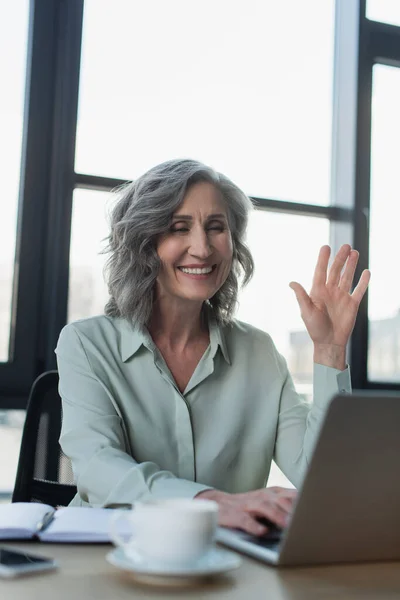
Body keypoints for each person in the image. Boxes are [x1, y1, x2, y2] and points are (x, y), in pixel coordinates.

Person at [55, 159, 370, 536]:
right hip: (111, 557)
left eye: (216, 227)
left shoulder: (260, 353)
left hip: (226, 567)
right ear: (144, 243)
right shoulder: (87, 345)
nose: (202, 248)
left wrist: (329, 349)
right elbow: (97, 467)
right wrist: (214, 502)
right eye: (178, 228)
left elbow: (324, 479)